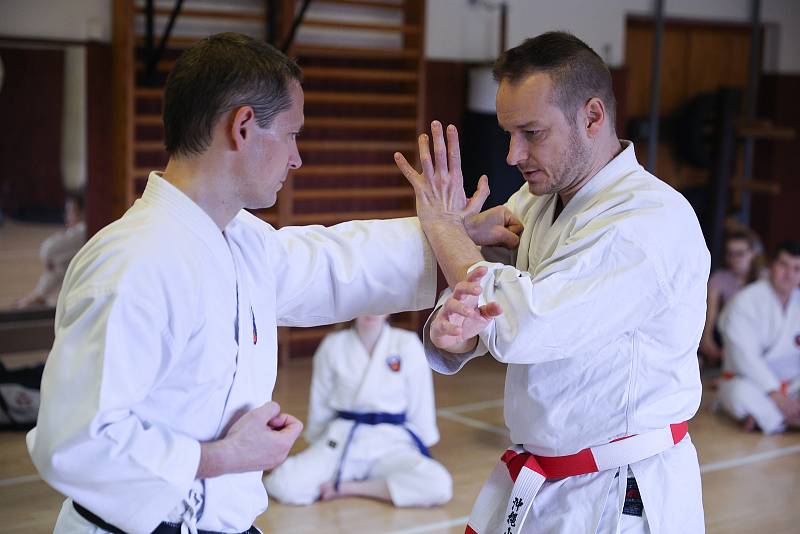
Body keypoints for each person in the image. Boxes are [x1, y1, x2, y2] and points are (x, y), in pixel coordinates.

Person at [27, 33, 519, 534]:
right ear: (242, 126)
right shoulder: (131, 262)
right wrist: (221, 456)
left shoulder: (239, 240)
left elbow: (331, 264)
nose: (296, 158)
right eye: (290, 134)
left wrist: (450, 234)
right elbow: (74, 444)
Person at [394, 32, 709, 533]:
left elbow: (526, 325)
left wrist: (444, 226)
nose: (512, 154)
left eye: (531, 133)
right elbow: (488, 300)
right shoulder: (541, 200)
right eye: (507, 133)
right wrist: (455, 333)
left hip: (619, 492)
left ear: (592, 116)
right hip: (550, 479)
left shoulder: (648, 222)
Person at [264, 314, 452, 507]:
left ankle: (348, 488)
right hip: (344, 441)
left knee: (439, 484)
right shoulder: (333, 345)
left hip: (392, 444)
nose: (371, 311)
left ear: (390, 308)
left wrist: (421, 442)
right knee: (284, 485)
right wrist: (318, 449)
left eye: (379, 305)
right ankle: (350, 481)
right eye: (365, 304)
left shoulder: (407, 344)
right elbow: (320, 404)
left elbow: (420, 405)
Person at [716, 241, 800, 434]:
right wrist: (775, 394)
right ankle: (785, 419)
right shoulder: (745, 301)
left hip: (792, 386)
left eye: (797, 268)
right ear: (771, 265)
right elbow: (745, 357)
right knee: (738, 394)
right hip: (751, 384)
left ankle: (768, 419)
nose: (789, 274)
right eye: (783, 265)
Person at [698, 229, 760, 364]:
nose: (735, 259)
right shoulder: (719, 279)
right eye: (730, 254)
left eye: (740, 254)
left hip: (759, 338)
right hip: (728, 338)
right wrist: (707, 338)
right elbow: (710, 314)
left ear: (752, 253)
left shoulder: (764, 278)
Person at [16, 191, 86, 308]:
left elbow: (49, 250)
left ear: (84, 212)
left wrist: (35, 296)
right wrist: (35, 295)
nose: (67, 217)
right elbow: (55, 273)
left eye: (70, 212)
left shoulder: (83, 231)